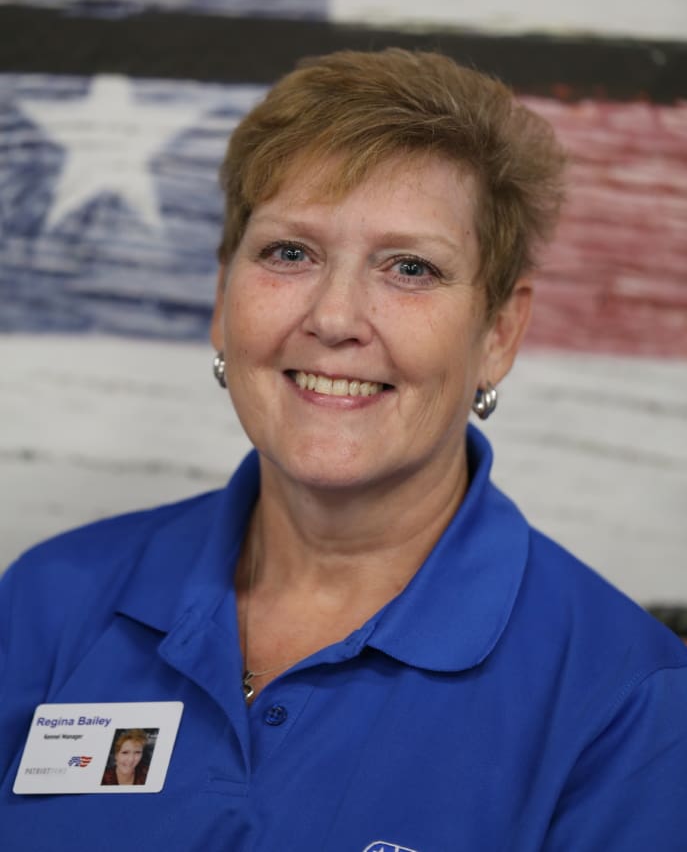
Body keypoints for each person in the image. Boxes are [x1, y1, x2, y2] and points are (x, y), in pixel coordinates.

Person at [1, 49, 685, 850]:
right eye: (290, 253)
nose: (334, 317)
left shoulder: (628, 700)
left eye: (409, 268)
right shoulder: (49, 602)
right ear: (224, 300)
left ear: (498, 333)